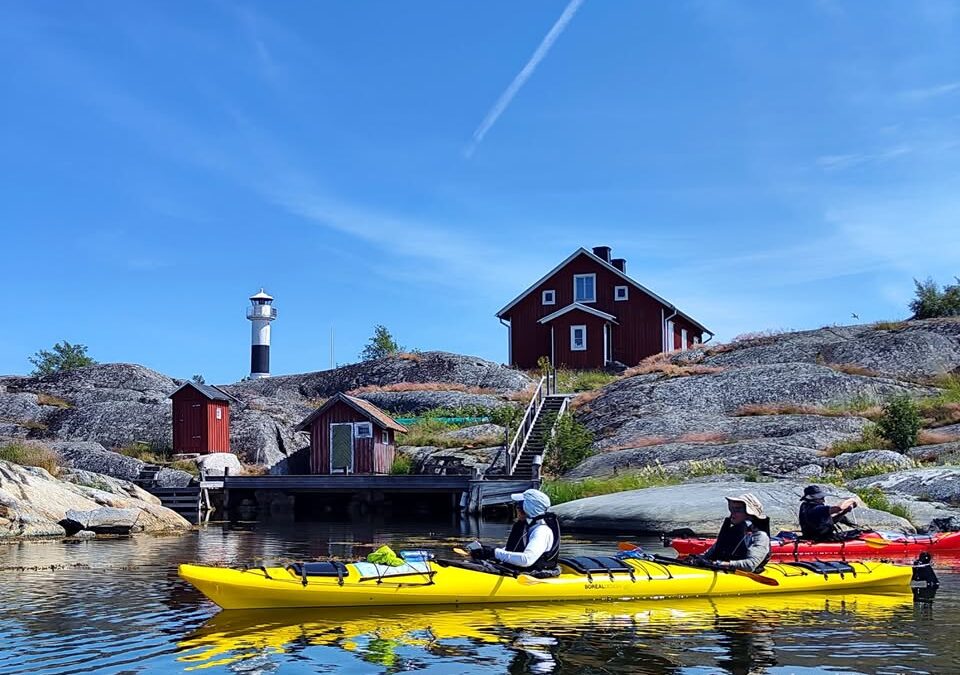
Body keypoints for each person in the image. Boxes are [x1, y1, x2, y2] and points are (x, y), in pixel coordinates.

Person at [468, 488, 560, 575]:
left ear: (527, 509)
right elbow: (514, 550)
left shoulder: (541, 531)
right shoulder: (529, 527)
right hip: (518, 571)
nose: (516, 509)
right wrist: (486, 551)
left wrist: (494, 553)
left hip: (530, 576)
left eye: (518, 506)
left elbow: (526, 560)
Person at [695, 493, 771, 572]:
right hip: (720, 570)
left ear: (750, 515)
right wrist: (696, 559)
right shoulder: (731, 533)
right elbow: (706, 555)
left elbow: (750, 565)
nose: (732, 513)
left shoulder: (760, 537)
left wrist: (719, 563)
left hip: (743, 577)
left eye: (738, 510)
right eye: (732, 509)